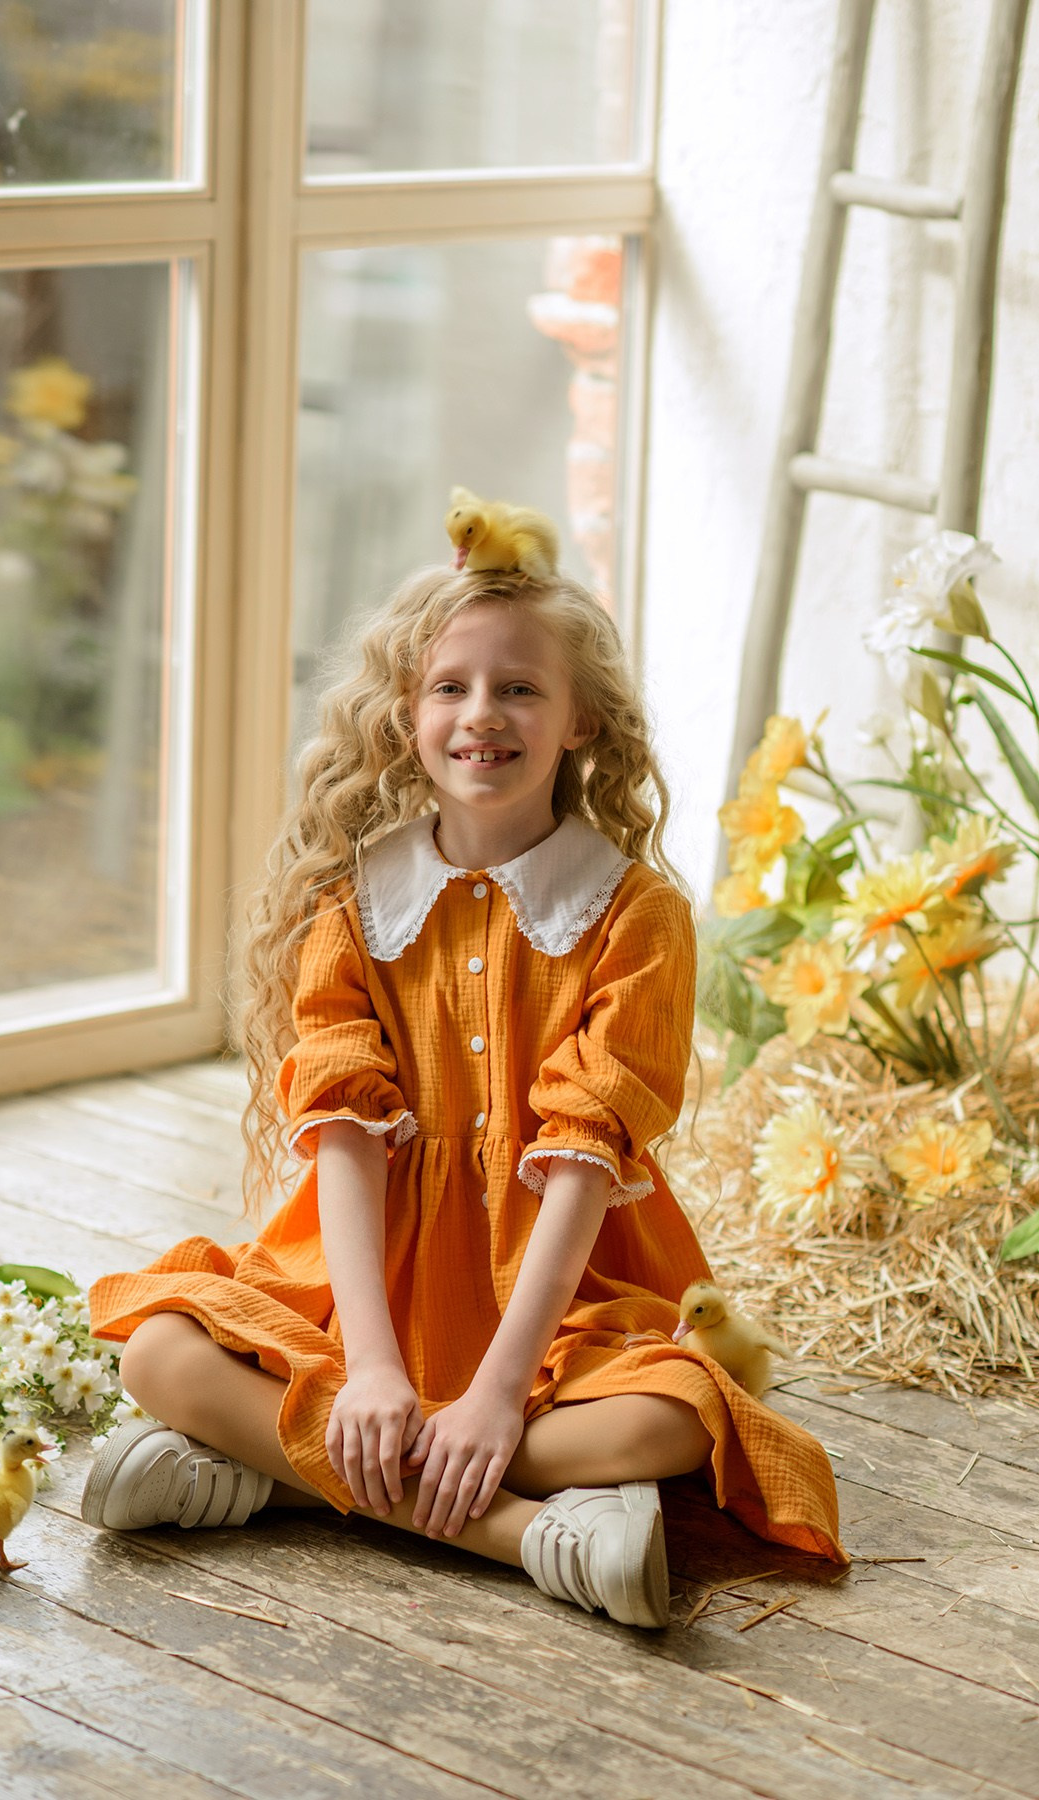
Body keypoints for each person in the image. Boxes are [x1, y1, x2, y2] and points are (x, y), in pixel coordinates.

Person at [82, 563, 845, 1628]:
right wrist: (372, 1371)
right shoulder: (350, 908)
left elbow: (586, 1162)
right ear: (404, 717)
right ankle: (533, 1534)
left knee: (672, 1421)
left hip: (556, 1292)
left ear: (581, 721)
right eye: (450, 687)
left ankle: (273, 1468)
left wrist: (493, 1393)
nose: (482, 714)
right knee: (158, 1347)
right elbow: (343, 1145)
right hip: (367, 1293)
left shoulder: (638, 916)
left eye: (521, 689)